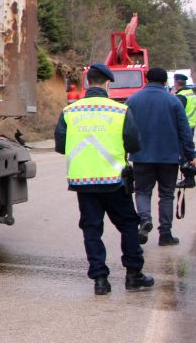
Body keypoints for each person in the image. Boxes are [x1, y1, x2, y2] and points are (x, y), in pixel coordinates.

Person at [55, 62, 153, 295]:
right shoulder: (119, 111)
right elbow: (134, 144)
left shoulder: (70, 112)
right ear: (107, 83)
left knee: (91, 229)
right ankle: (133, 275)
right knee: (128, 225)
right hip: (114, 180)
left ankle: (100, 280)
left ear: (87, 83)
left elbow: (61, 146)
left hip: (82, 181)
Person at [127, 67, 196, 246]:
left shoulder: (133, 101)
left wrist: (125, 153)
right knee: (166, 195)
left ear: (146, 79)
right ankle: (165, 234)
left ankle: (144, 220)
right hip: (169, 157)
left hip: (141, 156)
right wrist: (190, 155)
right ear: (165, 82)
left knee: (142, 191)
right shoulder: (173, 101)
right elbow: (184, 131)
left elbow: (125, 130)